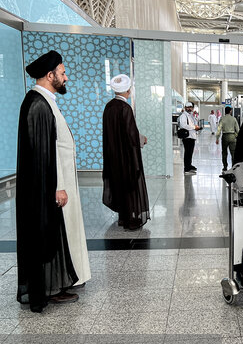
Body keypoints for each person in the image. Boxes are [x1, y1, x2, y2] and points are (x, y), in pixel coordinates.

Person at [16, 50, 91, 312]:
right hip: (49, 188)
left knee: (58, 234)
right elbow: (43, 153)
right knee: (49, 236)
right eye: (62, 73)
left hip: (56, 184)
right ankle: (49, 288)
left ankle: (58, 282)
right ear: (50, 76)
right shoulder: (38, 104)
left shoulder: (45, 100)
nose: (66, 77)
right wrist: (57, 187)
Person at [102, 74, 150, 230]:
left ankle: (123, 217)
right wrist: (142, 139)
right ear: (128, 91)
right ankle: (130, 219)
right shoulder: (125, 108)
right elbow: (131, 134)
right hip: (126, 157)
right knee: (130, 185)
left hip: (113, 155)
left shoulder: (109, 106)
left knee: (119, 185)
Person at [178, 102, 200, 174]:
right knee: (187, 152)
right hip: (187, 137)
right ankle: (186, 168)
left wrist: (196, 127)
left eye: (190, 107)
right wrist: (194, 127)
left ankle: (189, 165)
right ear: (185, 108)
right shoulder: (183, 116)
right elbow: (183, 125)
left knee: (190, 152)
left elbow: (194, 123)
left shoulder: (190, 115)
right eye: (188, 107)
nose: (189, 108)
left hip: (192, 136)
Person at [216, 106, 239, 171]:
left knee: (224, 152)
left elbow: (219, 129)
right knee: (233, 153)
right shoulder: (233, 119)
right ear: (230, 111)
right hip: (232, 136)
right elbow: (237, 129)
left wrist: (217, 138)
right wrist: (236, 135)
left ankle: (225, 167)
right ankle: (233, 167)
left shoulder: (222, 119)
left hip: (225, 136)